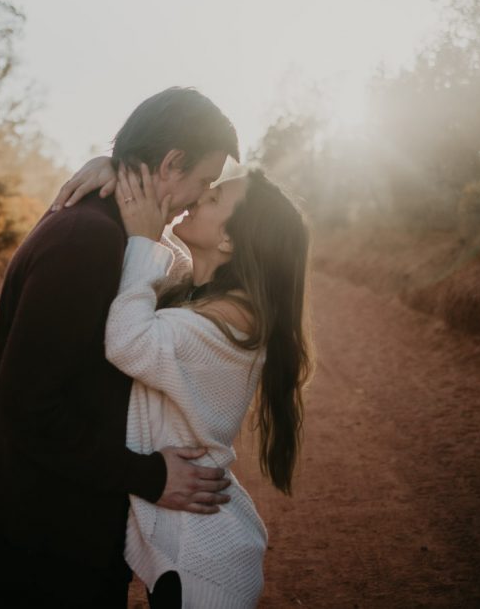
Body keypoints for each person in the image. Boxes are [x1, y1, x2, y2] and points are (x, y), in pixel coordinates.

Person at [0, 87, 240, 608]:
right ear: (171, 162)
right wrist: (151, 477)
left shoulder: (110, 230)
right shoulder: (86, 242)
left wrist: (113, 166)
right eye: (201, 182)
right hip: (40, 536)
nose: (198, 200)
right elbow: (25, 410)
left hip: (57, 519)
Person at [56, 159, 312, 608]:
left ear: (229, 239)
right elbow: (160, 276)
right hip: (194, 547)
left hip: (204, 564)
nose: (198, 196)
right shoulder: (208, 302)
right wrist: (115, 169)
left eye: (213, 197)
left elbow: (129, 340)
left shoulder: (229, 328)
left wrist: (141, 238)